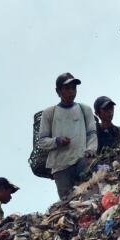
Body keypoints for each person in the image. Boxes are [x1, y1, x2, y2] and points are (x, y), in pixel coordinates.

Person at [37, 73, 97, 201]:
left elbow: (92, 133)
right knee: (68, 202)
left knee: (89, 194)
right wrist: (57, 141)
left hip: (81, 160)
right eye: (67, 88)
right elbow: (42, 141)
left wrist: (91, 149)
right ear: (58, 91)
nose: (71, 92)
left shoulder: (84, 109)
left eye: (73, 88)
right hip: (60, 167)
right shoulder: (49, 113)